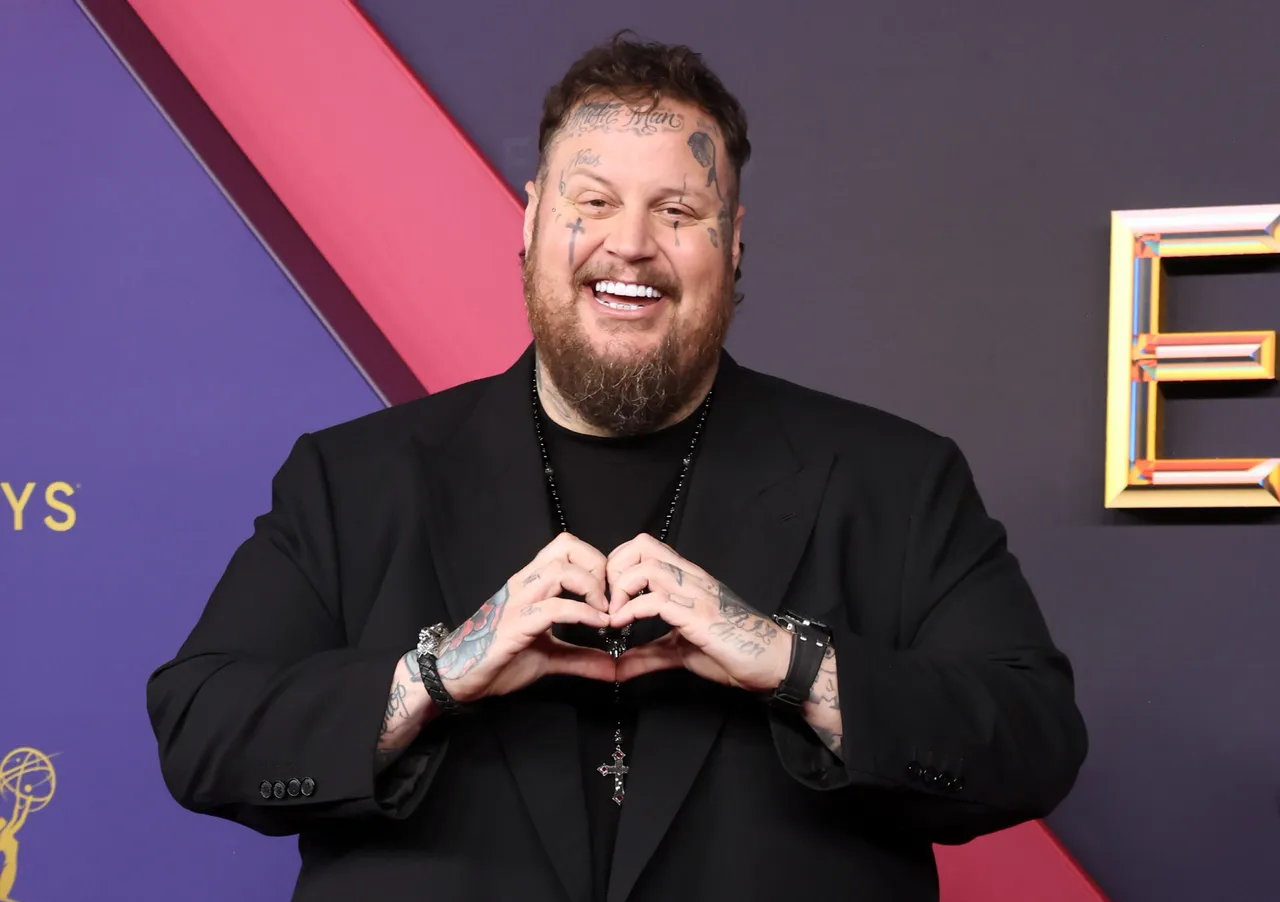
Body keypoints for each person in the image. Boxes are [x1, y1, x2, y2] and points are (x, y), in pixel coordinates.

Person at [146, 31, 1088, 902]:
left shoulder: (895, 478)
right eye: (591, 202)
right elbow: (202, 729)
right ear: (529, 223)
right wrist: (439, 672)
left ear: (733, 240)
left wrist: (787, 659)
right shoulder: (351, 480)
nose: (629, 243)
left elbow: (1034, 741)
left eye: (677, 210)